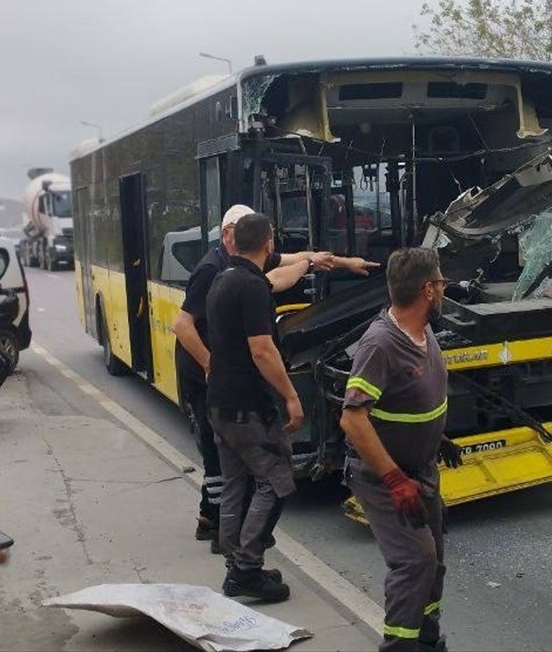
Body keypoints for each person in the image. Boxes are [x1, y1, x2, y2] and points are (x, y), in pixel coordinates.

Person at [172, 204, 379, 551]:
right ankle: (234, 545)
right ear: (231, 236)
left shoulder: (237, 273)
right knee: (258, 474)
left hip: (225, 387)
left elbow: (293, 264)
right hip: (211, 379)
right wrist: (212, 366)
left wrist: (342, 263)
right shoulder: (214, 271)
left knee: (236, 473)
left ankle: (228, 544)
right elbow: (191, 328)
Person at [340, 247, 463, 652]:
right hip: (384, 478)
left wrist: (434, 436)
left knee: (435, 562)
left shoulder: (423, 330)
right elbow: (353, 419)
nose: (444, 289)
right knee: (415, 561)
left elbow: (411, 399)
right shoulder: (380, 345)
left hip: (422, 469)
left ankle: (428, 641)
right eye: (441, 282)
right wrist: (394, 479)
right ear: (428, 290)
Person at [205, 213, 304, 602]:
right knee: (276, 481)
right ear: (268, 242)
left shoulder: (223, 279)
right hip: (248, 406)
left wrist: (310, 261)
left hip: (220, 402)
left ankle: (236, 562)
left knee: (235, 484)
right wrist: (291, 396)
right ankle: (247, 569)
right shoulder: (252, 287)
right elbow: (262, 349)